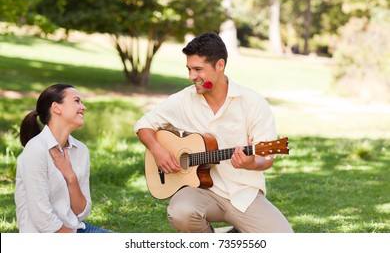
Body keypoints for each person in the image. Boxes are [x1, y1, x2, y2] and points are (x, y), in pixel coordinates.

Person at [134, 32, 293, 233]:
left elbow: (267, 157)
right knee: (181, 212)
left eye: (198, 69)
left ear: (220, 65)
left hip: (243, 195)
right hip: (201, 193)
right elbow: (143, 124)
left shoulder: (253, 103)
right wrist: (157, 150)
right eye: (189, 69)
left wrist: (251, 163)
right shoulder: (184, 100)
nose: (192, 76)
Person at [14, 83, 112, 233]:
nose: (83, 107)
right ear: (56, 108)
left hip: (75, 228)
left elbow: (82, 212)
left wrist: (70, 176)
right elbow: (43, 220)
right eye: (77, 101)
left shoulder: (81, 150)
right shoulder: (35, 150)